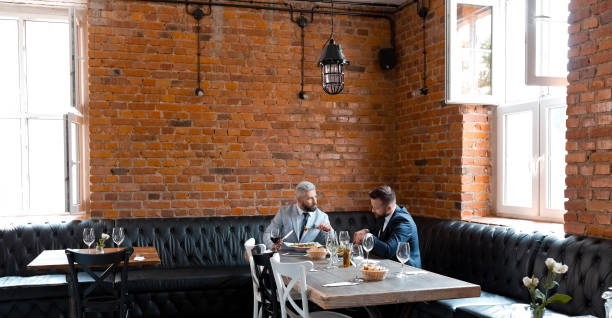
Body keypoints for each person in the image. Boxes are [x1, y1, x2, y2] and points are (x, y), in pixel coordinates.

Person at [353, 185, 421, 268]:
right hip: (387, 267)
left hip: (406, 271)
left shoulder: (404, 222)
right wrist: (366, 231)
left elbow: (388, 251)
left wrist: (367, 237)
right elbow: (380, 233)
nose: (372, 210)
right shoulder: (384, 214)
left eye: (376, 208)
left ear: (388, 208)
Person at [263, 181, 332, 251]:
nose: (315, 202)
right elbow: (268, 234)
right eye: (310, 198)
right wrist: (272, 246)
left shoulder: (322, 216)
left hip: (310, 258)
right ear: (299, 200)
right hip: (286, 257)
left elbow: (332, 243)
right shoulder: (283, 213)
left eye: (315, 197)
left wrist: (328, 231)